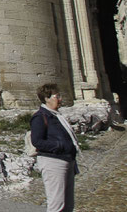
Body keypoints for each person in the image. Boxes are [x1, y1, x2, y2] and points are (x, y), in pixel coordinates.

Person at [31, 83, 80, 212]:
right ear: (47, 98)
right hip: (53, 162)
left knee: (68, 205)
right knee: (56, 205)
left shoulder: (57, 116)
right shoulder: (40, 117)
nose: (60, 99)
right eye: (57, 96)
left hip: (66, 160)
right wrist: (60, 146)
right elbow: (37, 141)